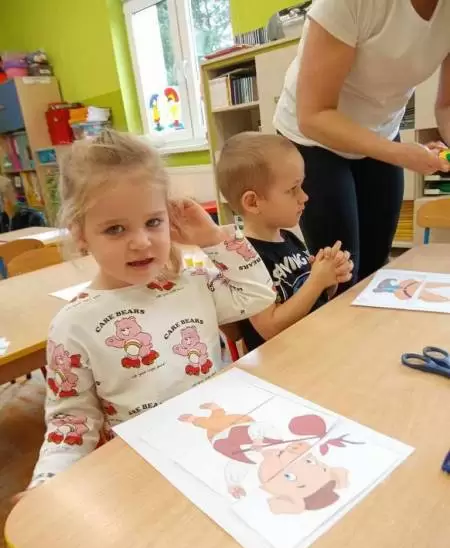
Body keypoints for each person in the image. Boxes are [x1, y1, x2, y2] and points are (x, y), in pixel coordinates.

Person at [17, 130, 276, 498]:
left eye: (153, 222)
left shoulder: (193, 285)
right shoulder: (72, 325)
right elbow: (71, 421)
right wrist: (46, 488)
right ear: (81, 235)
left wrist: (213, 237)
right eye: (115, 229)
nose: (141, 241)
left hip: (219, 445)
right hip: (143, 472)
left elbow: (258, 295)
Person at [274, 0, 450, 287]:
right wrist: (400, 153)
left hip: (381, 131)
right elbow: (314, 116)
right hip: (314, 136)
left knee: (375, 268)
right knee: (340, 273)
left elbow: (447, 105)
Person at [216, 132, 353, 351]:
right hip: (280, 361)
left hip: (315, 345)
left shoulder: (289, 239)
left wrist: (329, 277)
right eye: (292, 189)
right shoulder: (244, 257)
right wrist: (316, 281)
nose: (304, 197)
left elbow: (310, 299)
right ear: (253, 202)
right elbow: (270, 328)